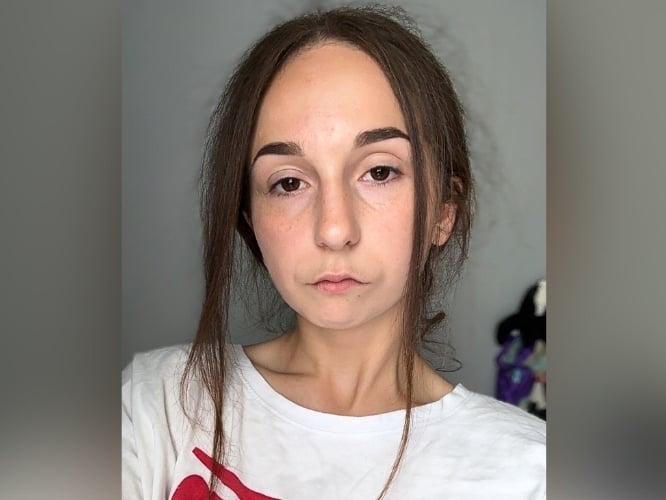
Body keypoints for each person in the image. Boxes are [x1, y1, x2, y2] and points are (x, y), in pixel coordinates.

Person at [122, 5, 546, 499]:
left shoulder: (529, 470)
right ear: (249, 220)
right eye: (289, 182)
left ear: (443, 213)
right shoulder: (159, 406)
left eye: (380, 172)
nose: (334, 229)